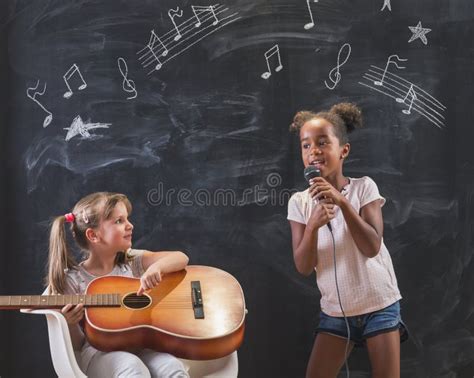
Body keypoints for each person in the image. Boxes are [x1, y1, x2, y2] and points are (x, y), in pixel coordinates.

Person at [287, 103, 407, 378]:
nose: (313, 151)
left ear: (343, 150)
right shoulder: (299, 203)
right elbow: (303, 266)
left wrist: (342, 202)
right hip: (336, 312)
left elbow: (371, 246)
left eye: (322, 143)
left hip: (379, 304)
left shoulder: (365, 187)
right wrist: (313, 227)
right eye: (306, 146)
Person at [45, 191, 190, 378]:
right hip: (98, 353)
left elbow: (181, 257)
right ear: (94, 235)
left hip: (141, 345)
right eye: (119, 221)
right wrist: (70, 324)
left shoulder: (131, 260)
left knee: (173, 368)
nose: (130, 225)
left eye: (127, 219)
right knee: (132, 369)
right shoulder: (73, 280)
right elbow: (77, 346)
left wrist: (158, 269)